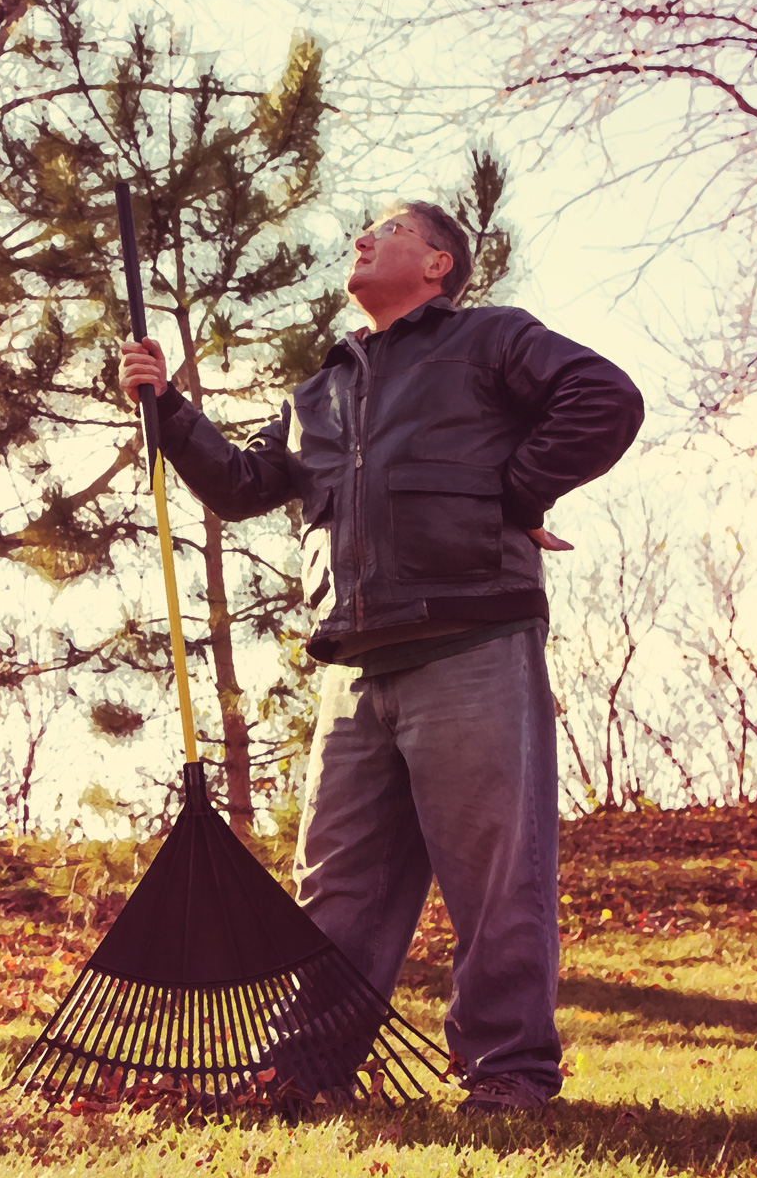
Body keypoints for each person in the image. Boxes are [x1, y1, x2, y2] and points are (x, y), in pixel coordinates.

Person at [119, 201, 644, 1114]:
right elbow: (244, 487)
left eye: (391, 229)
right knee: (337, 880)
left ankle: (509, 1072)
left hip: (472, 638)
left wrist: (512, 493)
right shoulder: (317, 391)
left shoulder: (489, 340)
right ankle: (307, 1071)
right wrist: (168, 409)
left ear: (439, 263)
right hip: (354, 663)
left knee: (494, 875)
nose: (363, 238)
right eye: (363, 229)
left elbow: (604, 397)